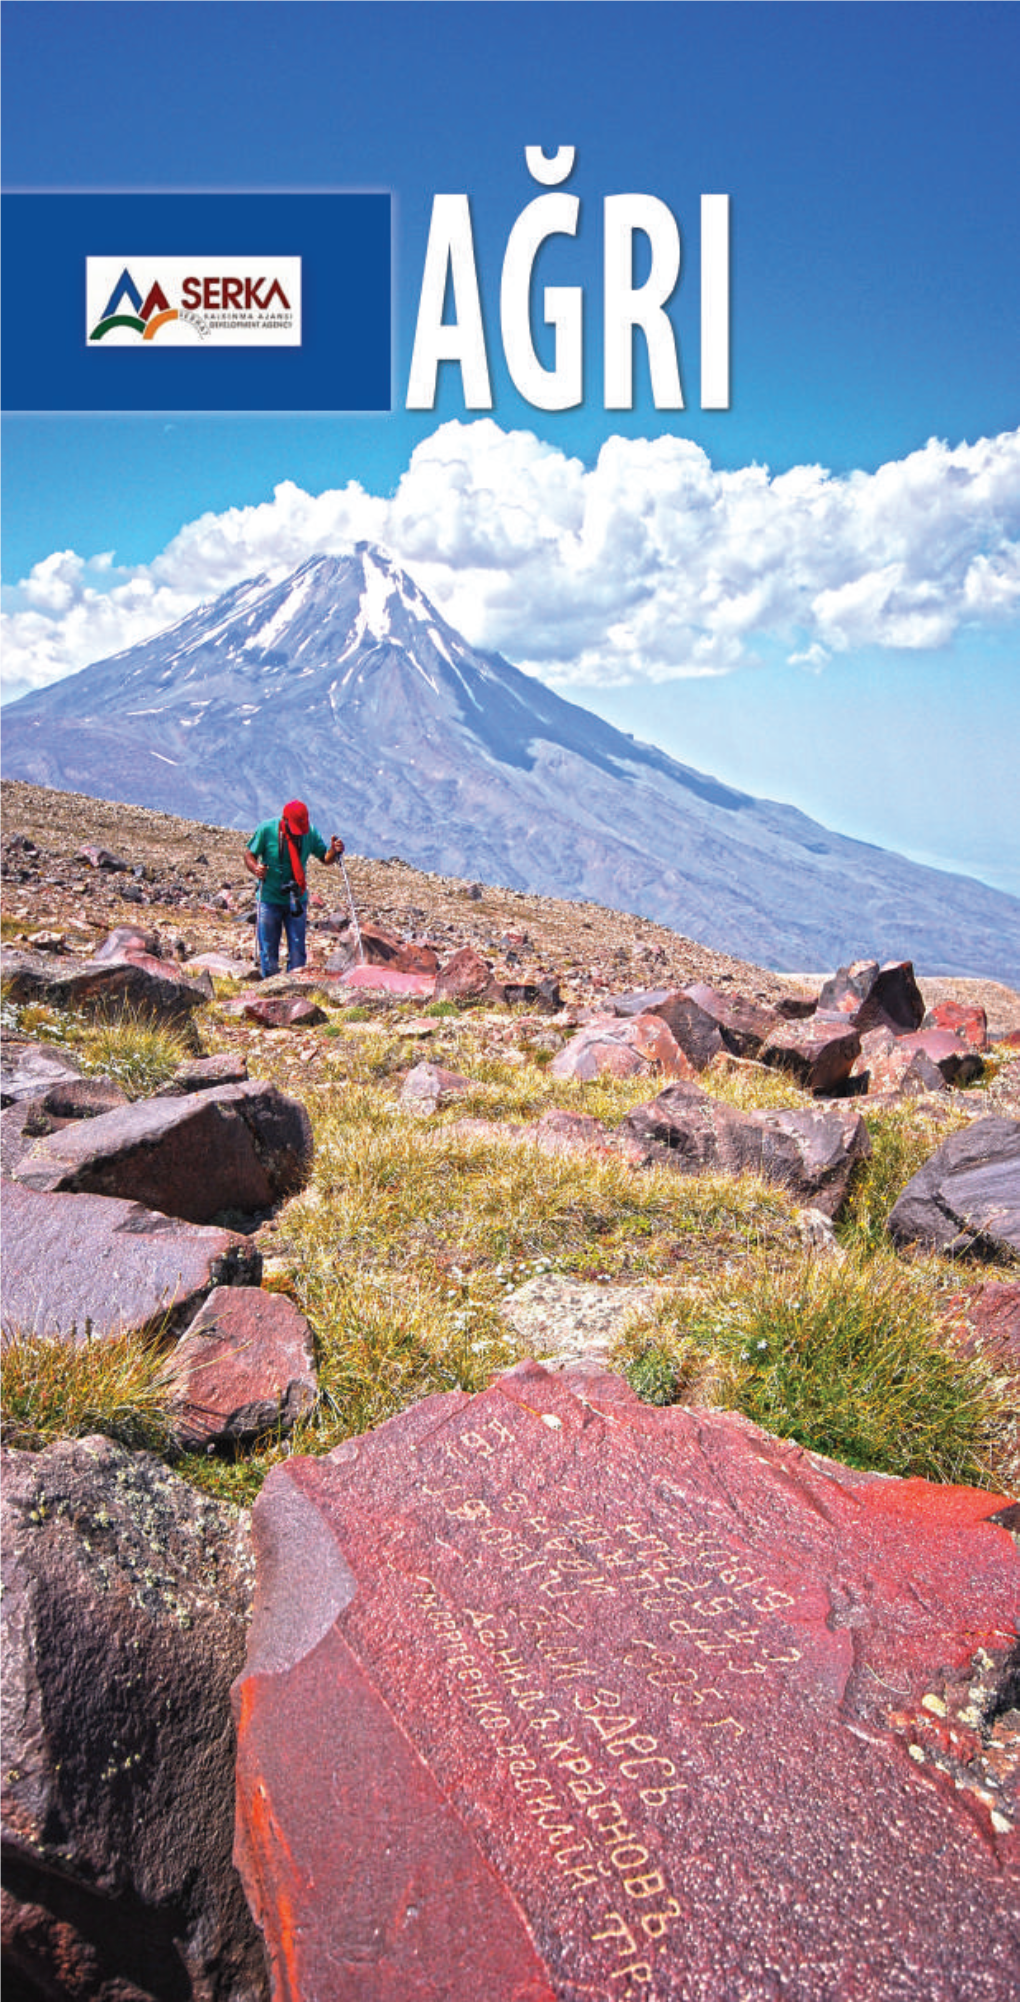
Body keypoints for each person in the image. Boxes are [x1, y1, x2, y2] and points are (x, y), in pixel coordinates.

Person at [243, 799, 344, 977]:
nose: (298, 834)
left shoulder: (310, 832)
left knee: (298, 948)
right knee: (267, 948)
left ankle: (295, 984)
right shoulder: (266, 830)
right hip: (269, 897)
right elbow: (249, 854)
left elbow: (325, 858)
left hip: (297, 898)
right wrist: (256, 868)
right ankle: (270, 984)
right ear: (285, 820)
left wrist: (334, 852)